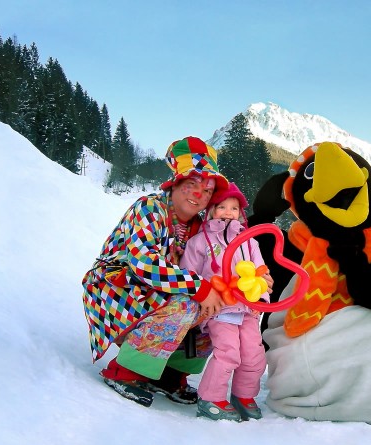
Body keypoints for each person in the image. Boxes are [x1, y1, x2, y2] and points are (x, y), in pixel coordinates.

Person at [81, 136, 228, 407]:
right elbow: (143, 263)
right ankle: (125, 371)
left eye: (207, 190)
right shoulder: (149, 208)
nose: (199, 195)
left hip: (156, 295)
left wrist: (251, 278)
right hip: (118, 290)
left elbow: (225, 259)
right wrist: (200, 287)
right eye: (191, 184)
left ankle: (169, 375)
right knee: (187, 304)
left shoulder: (203, 225)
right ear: (175, 184)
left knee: (214, 307)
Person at [180, 182, 272, 421]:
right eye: (221, 207)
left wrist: (260, 297)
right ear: (211, 211)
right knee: (229, 352)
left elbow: (261, 273)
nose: (228, 212)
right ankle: (210, 398)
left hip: (247, 310)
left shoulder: (250, 242)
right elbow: (188, 274)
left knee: (254, 355)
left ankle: (243, 395)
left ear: (240, 213)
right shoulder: (199, 242)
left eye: (233, 208)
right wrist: (200, 298)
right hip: (219, 309)